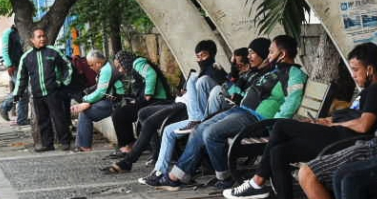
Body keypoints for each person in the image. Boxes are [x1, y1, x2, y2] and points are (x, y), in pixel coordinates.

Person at [226, 42, 377, 199]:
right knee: (280, 151)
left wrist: (332, 123)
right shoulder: (368, 92)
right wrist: (323, 120)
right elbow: (352, 116)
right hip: (336, 134)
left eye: (356, 70)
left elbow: (364, 125)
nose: (353, 75)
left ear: (369, 69)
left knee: (280, 126)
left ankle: (257, 182)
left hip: (344, 141)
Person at [154, 34, 307, 191]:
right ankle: (177, 177)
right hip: (241, 111)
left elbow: (291, 102)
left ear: (282, 54)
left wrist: (274, 125)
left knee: (211, 134)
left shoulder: (294, 74)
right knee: (199, 129)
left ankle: (225, 178)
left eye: (271, 52)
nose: (268, 56)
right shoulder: (273, 71)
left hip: (256, 119)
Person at [142, 38, 267, 182]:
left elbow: (239, 96)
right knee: (170, 130)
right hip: (212, 113)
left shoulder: (267, 75)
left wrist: (227, 80)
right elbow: (240, 92)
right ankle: (160, 172)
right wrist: (232, 75)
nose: (239, 64)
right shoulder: (250, 74)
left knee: (208, 128)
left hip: (242, 114)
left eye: (249, 56)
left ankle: (222, 177)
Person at [107, 41, 227, 173]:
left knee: (150, 121)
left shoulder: (215, 72)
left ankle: (128, 161)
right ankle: (155, 154)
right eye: (198, 57)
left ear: (212, 54)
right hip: (179, 102)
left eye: (203, 56)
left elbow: (214, 96)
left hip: (188, 109)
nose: (200, 60)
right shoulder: (203, 72)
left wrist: (148, 94)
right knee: (143, 113)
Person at [13, 27, 73, 152]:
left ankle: (65, 142)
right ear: (32, 40)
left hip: (53, 92)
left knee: (59, 118)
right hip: (37, 94)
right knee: (43, 120)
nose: (42, 38)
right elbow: (21, 77)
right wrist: (17, 93)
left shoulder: (53, 52)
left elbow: (67, 66)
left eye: (43, 36)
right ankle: (47, 144)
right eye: (39, 37)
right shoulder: (26, 57)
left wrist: (62, 82)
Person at [110, 51, 171, 148]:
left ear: (125, 61)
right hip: (151, 101)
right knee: (120, 111)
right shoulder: (134, 68)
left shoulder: (138, 63)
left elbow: (151, 74)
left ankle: (127, 146)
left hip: (158, 101)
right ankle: (130, 145)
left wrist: (148, 93)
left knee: (119, 114)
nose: (120, 70)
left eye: (119, 67)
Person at [72, 49, 119, 151]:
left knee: (86, 112)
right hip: (111, 98)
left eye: (91, 65)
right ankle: (82, 145)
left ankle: (84, 146)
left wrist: (85, 100)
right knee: (85, 110)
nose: (90, 68)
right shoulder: (107, 66)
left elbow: (100, 93)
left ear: (98, 63)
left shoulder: (106, 70)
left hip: (115, 101)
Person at [0, 26, 28, 125]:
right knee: (22, 90)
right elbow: (5, 51)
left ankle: (21, 119)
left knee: (24, 93)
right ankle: (4, 106)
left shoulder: (24, 32)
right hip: (15, 66)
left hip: (24, 66)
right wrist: (9, 64)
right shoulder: (8, 33)